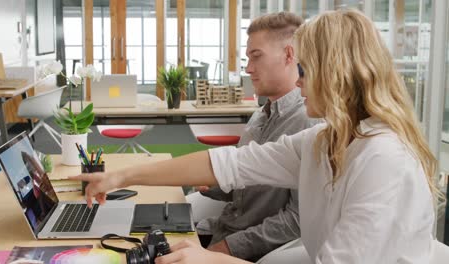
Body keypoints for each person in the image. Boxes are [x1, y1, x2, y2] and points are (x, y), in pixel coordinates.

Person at [71, 9, 439, 263]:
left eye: (306, 70)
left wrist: (211, 258)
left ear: (337, 73)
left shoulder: (383, 162)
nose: (298, 81)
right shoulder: (324, 141)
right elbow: (228, 164)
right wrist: (120, 175)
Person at [190, 11, 320, 261]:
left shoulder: (308, 121)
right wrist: (215, 185)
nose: (248, 68)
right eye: (247, 58)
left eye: (256, 57)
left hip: (250, 252)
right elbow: (245, 188)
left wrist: (223, 249)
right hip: (221, 230)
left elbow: (297, 220)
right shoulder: (260, 116)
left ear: (289, 55)